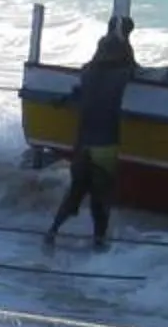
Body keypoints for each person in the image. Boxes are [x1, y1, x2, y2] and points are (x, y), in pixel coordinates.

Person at [45, 19, 136, 249]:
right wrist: (126, 36)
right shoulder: (123, 73)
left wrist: (62, 100)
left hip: (82, 144)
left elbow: (78, 92)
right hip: (105, 146)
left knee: (75, 192)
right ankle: (99, 242)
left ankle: (52, 233)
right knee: (100, 198)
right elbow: (133, 64)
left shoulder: (87, 72)